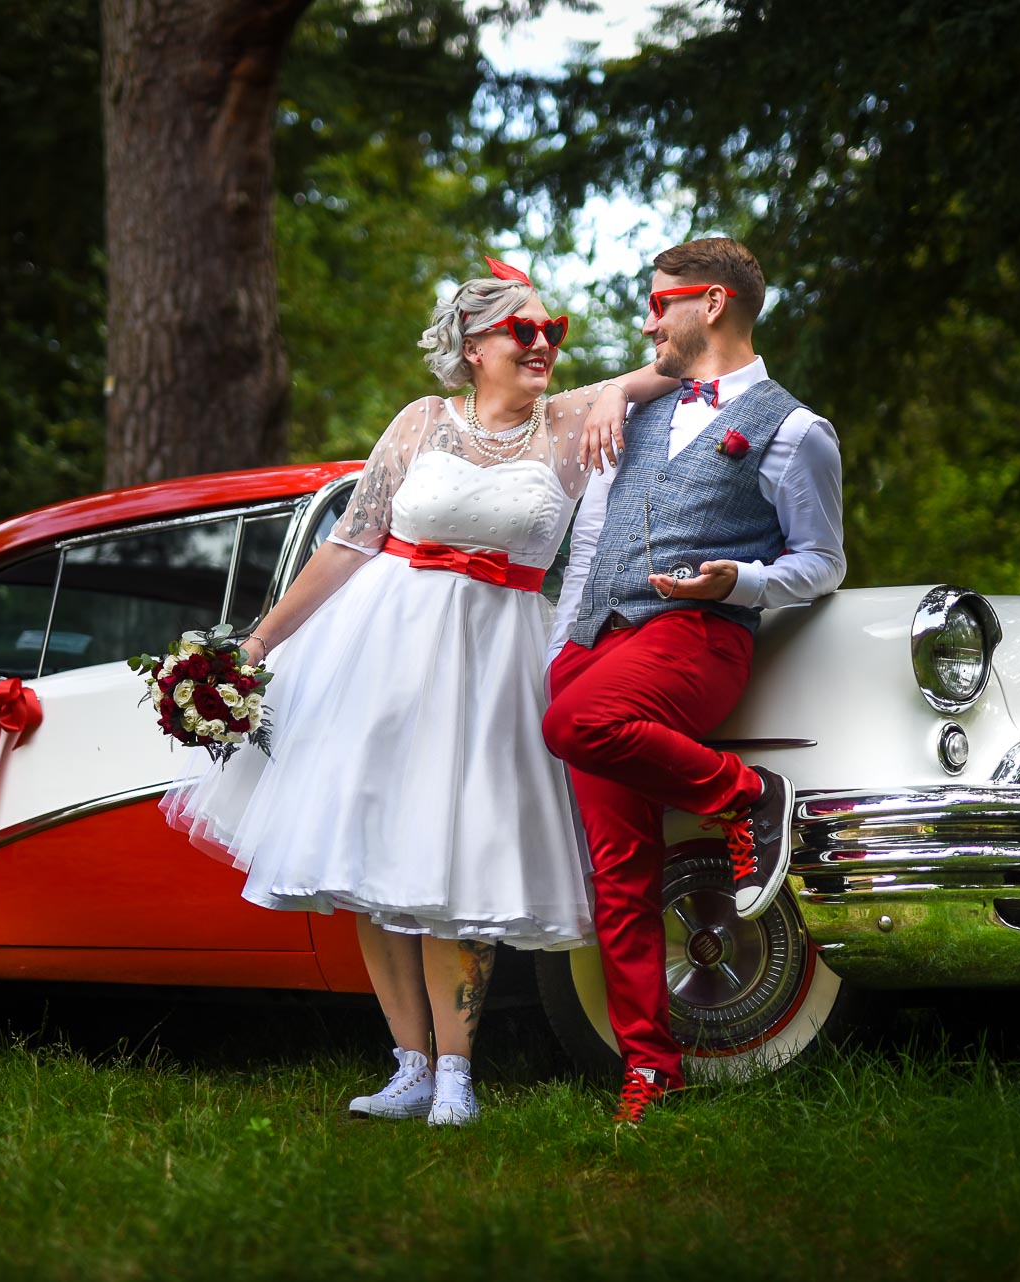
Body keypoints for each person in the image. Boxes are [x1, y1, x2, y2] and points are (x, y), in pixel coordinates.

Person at [161, 258, 677, 1126]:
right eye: (524, 330)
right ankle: (408, 1065)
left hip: (495, 663)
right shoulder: (421, 422)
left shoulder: (572, 420)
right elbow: (349, 543)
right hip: (381, 652)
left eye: (553, 330)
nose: (544, 343)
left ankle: (457, 1076)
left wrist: (620, 391)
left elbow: (678, 364)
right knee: (370, 857)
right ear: (474, 347)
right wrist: (256, 644)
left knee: (461, 858)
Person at [542, 236, 846, 1125]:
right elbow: (590, 546)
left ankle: (749, 794)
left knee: (573, 726)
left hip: (699, 637)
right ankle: (650, 1067)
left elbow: (823, 563)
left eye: (657, 304)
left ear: (711, 303)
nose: (647, 323)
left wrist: (740, 581)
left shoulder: (797, 431)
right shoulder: (632, 411)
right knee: (618, 869)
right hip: (595, 644)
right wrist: (564, 651)